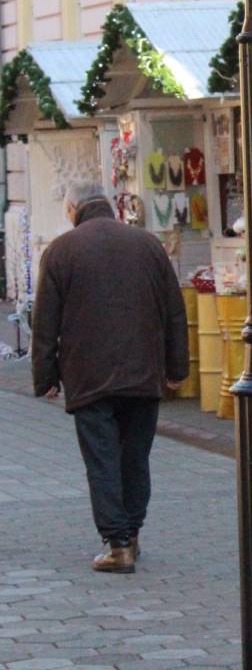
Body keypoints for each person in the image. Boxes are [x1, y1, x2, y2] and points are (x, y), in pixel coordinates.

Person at [32, 181, 189, 574]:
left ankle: (117, 543)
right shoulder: (148, 245)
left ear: (73, 209)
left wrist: (45, 376)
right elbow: (174, 311)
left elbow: (45, 322)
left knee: (102, 459)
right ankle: (131, 534)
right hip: (143, 372)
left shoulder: (61, 251)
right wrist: (177, 368)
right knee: (135, 457)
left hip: (89, 376)